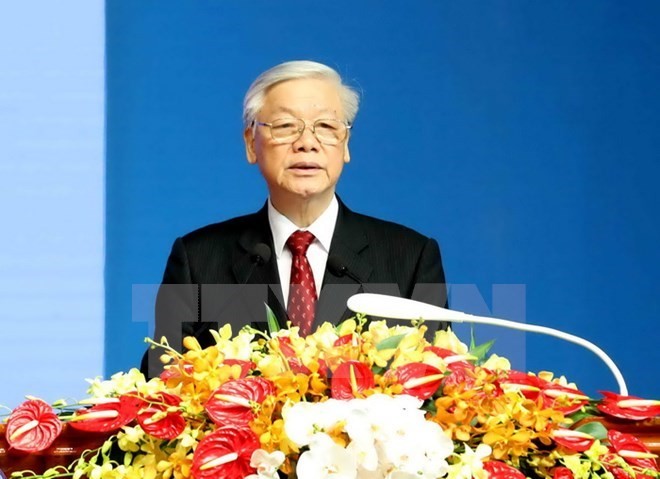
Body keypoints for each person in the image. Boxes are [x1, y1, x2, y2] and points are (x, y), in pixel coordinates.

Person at [142, 60, 447, 377]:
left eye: (327, 127)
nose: (307, 142)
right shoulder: (198, 259)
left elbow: (436, 384)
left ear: (345, 145)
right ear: (251, 143)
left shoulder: (411, 258)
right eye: (285, 126)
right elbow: (160, 384)